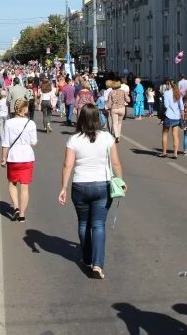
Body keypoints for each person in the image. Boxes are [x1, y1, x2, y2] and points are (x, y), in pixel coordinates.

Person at [57, 104, 126, 279]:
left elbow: (67, 165)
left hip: (80, 185)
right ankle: (97, 265)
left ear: (81, 119)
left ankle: (86, 257)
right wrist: (120, 180)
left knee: (83, 223)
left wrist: (64, 187)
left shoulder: (74, 139)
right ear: (98, 118)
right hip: (102, 185)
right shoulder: (107, 137)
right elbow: (116, 162)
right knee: (98, 224)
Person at [1, 98, 38, 223]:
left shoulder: (9, 123)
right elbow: (34, 142)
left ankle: (16, 207)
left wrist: (3, 158)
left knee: (12, 183)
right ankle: (22, 214)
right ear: (25, 109)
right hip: (27, 156)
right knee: (24, 186)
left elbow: (5, 142)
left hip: (13, 156)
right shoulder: (30, 123)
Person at [160, 81, 184, 159]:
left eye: (167, 84)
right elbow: (181, 105)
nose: (166, 86)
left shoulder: (166, 93)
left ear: (169, 85)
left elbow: (166, 105)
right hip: (176, 116)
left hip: (168, 115)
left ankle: (164, 152)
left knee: (165, 134)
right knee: (175, 135)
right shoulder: (178, 92)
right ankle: (175, 154)